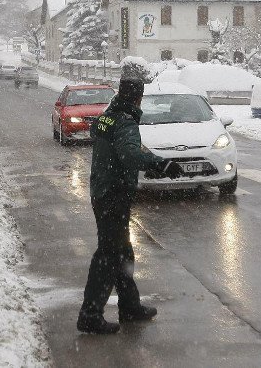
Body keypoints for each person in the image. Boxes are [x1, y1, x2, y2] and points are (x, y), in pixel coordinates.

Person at [77, 77, 183, 334]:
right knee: (108, 255)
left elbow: (105, 139)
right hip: (112, 195)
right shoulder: (124, 121)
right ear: (138, 97)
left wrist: (145, 158)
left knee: (122, 252)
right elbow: (129, 154)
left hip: (102, 191)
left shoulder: (108, 116)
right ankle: (90, 314)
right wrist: (161, 164)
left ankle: (129, 306)